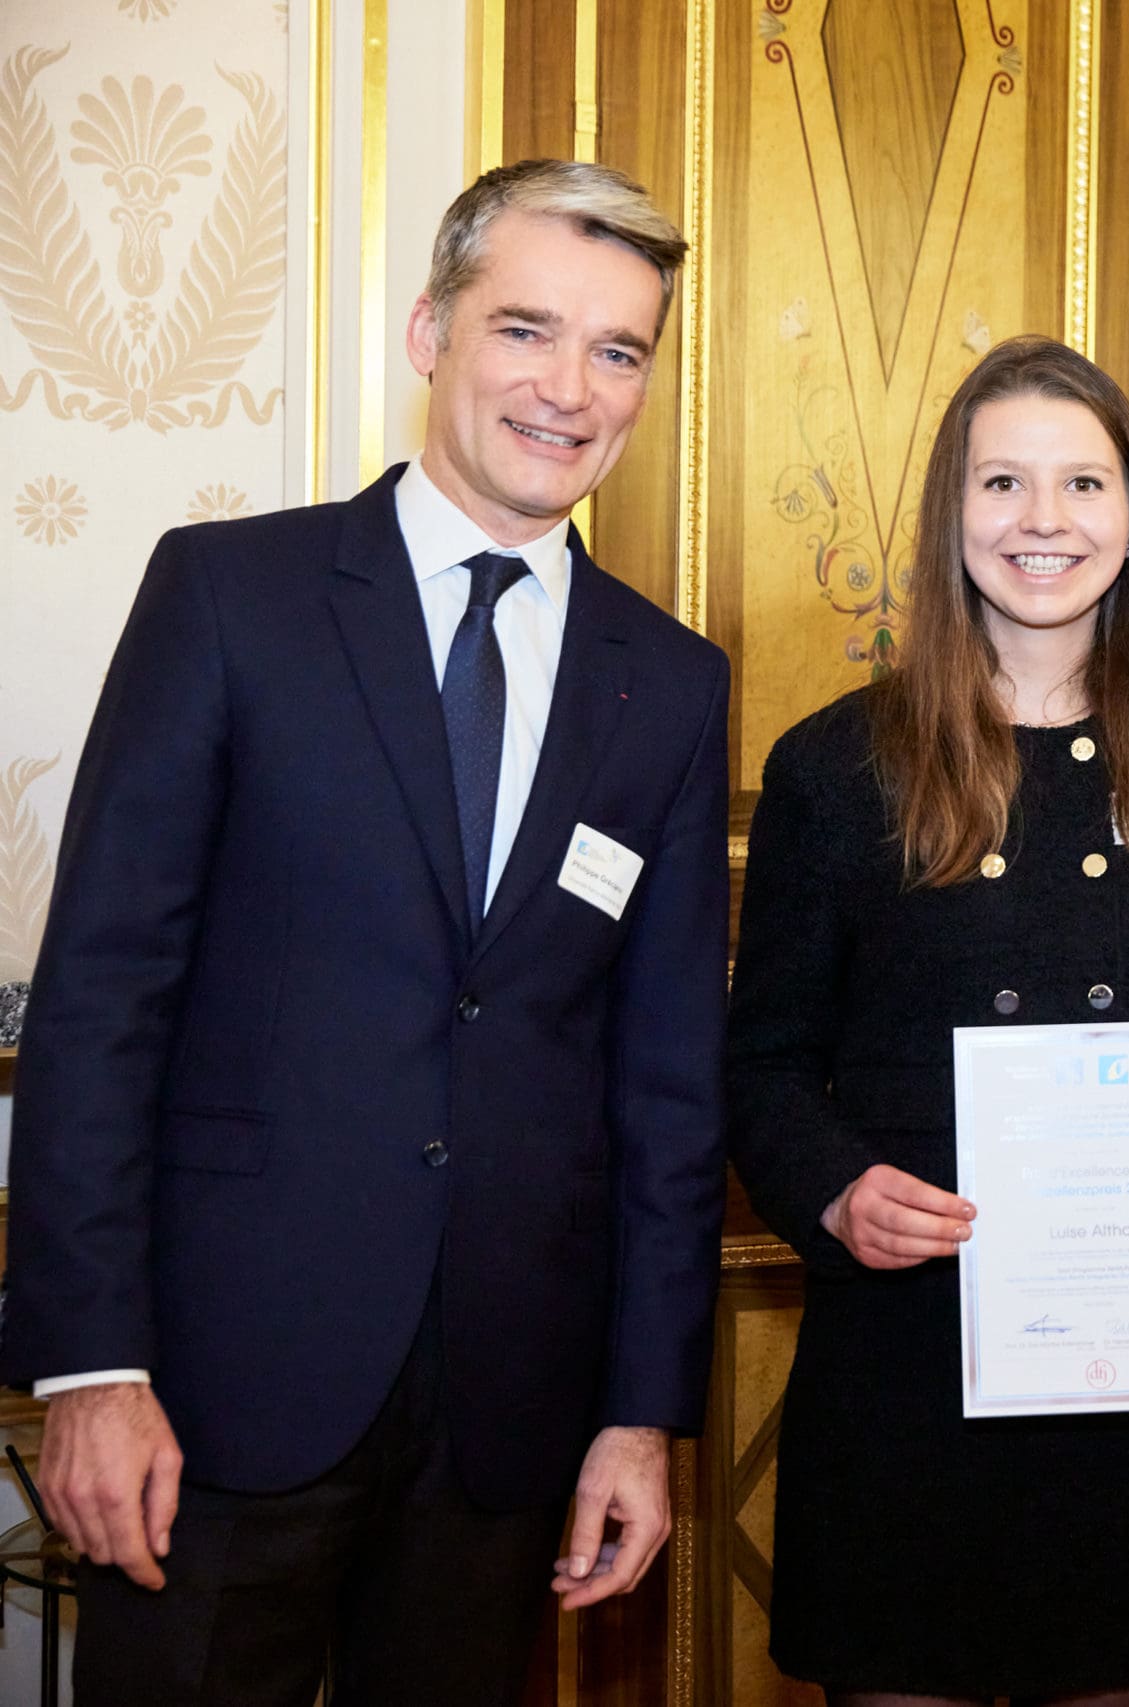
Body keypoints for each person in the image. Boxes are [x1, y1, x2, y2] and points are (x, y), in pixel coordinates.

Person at [1, 159, 732, 1705]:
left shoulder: (666, 681)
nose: (569, 388)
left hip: (508, 1421)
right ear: (428, 332)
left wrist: (639, 1412)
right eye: (526, 329)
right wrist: (89, 1365)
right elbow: (102, 996)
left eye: (619, 351)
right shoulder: (230, 595)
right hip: (210, 1391)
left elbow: (669, 1088)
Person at [724, 334, 1129, 1707]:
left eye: (1083, 485)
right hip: (906, 1360)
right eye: (1003, 483)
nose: (1043, 521)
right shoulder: (835, 764)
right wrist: (836, 1190)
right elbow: (761, 1066)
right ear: (952, 515)